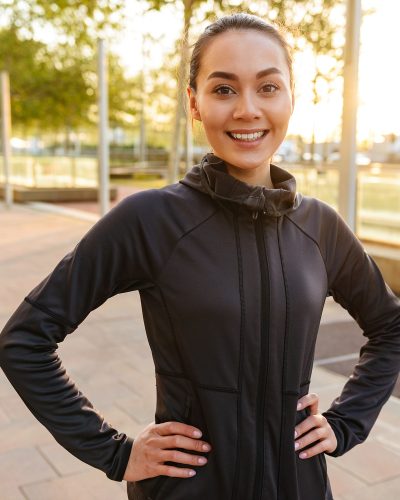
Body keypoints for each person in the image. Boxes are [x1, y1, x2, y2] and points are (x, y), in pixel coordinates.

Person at [0, 12, 399, 500]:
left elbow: (390, 328)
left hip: (298, 486)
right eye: (224, 89)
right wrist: (114, 453)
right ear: (195, 103)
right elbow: (24, 341)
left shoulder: (321, 227)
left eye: (268, 87)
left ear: (293, 98)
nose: (248, 109)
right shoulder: (150, 219)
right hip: (186, 490)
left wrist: (346, 422)